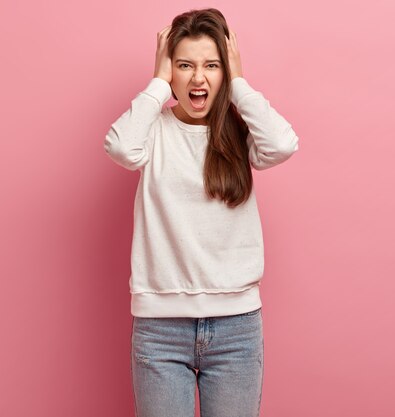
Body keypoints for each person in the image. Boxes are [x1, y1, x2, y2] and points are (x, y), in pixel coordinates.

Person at [104, 7, 299, 417]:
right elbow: (121, 147)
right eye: (184, 65)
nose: (198, 78)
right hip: (160, 330)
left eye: (212, 65)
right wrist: (157, 84)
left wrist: (240, 83)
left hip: (237, 329)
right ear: (169, 69)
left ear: (225, 70)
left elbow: (282, 144)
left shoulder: (240, 130)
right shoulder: (153, 131)